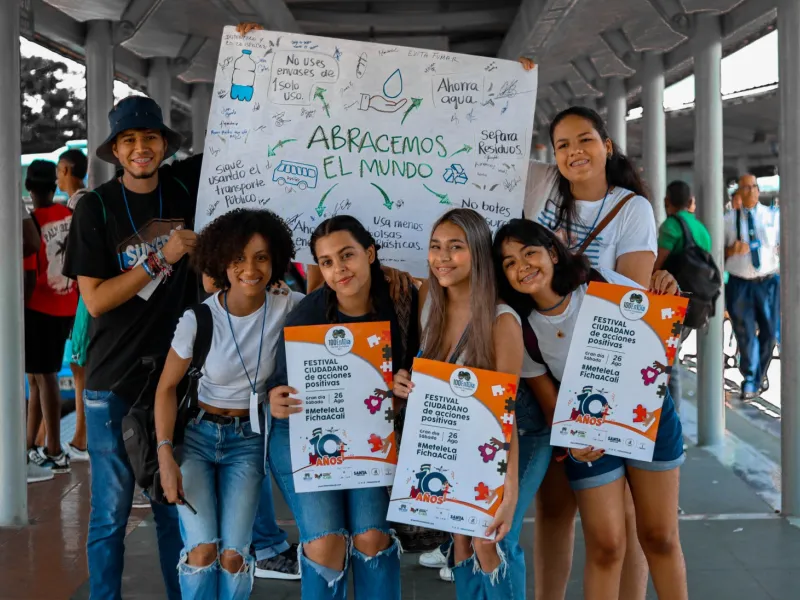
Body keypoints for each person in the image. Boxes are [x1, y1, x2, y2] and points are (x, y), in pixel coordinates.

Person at [494, 219, 688, 600]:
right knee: (606, 545)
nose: (522, 266)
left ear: (551, 252)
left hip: (648, 418)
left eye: (529, 252)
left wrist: (667, 287)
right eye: (509, 262)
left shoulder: (601, 285)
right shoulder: (523, 327)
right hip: (589, 434)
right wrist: (573, 440)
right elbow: (551, 402)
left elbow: (660, 333)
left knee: (659, 537)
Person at [62, 94, 202, 600]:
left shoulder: (188, 188)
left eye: (149, 138)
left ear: (164, 144)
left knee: (172, 507)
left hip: (174, 379)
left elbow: (245, 133)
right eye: (129, 141)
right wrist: (158, 259)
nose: (140, 148)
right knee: (110, 512)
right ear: (115, 152)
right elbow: (96, 301)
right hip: (112, 381)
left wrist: (251, 53)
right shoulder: (94, 209)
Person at [531, 104, 664, 600]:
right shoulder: (540, 186)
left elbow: (632, 300)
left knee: (620, 519)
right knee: (554, 507)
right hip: (544, 365)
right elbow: (480, 144)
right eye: (562, 144)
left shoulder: (633, 209)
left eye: (584, 140)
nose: (573, 152)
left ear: (607, 146)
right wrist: (511, 80)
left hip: (607, 373)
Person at [269, 215, 418, 600]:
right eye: (327, 262)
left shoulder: (405, 302)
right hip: (305, 437)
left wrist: (407, 383)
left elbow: (427, 363)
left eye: (347, 255)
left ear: (370, 253)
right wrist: (277, 400)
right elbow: (280, 386)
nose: (339, 269)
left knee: (372, 537)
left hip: (371, 436)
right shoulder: (306, 316)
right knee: (325, 544)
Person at [155, 208, 300, 599]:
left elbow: (338, 300)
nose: (250, 269)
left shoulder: (289, 306)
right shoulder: (199, 319)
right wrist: (165, 455)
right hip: (197, 438)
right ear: (221, 263)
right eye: (237, 258)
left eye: (261, 257)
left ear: (276, 261)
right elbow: (166, 388)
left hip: (249, 440)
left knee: (235, 555)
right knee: (202, 551)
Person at [393, 208, 530, 599]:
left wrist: (509, 491)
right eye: (436, 247)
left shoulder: (501, 321)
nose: (442, 257)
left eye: (456, 248)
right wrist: (403, 384)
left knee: (488, 543)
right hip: (446, 447)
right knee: (463, 543)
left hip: (490, 448)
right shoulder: (427, 300)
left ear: (478, 255)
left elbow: (505, 417)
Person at [24, 159, 79, 474]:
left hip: (39, 307)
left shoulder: (32, 221)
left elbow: (30, 274)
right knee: (36, 377)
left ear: (30, 189)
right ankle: (30, 444)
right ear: (54, 186)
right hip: (67, 305)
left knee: (44, 378)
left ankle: (55, 449)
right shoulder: (69, 216)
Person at [654, 181, 713, 410]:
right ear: (690, 203)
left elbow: (657, 265)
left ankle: (672, 417)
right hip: (697, 303)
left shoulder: (671, 225)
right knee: (672, 358)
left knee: (669, 363)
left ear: (667, 202)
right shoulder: (700, 229)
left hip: (672, 303)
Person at [724, 174, 780, 400]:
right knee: (745, 333)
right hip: (740, 283)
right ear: (739, 191)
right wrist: (730, 250)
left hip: (767, 282)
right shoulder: (728, 220)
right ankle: (750, 379)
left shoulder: (772, 217)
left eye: (754, 187)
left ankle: (758, 374)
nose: (751, 191)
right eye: (746, 187)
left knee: (770, 332)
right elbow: (717, 252)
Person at [56, 148, 91, 460]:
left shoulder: (79, 204)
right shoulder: (83, 201)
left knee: (81, 365)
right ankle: (82, 436)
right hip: (85, 293)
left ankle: (82, 438)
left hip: (85, 295)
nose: (57, 177)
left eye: (59, 170)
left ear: (67, 170)